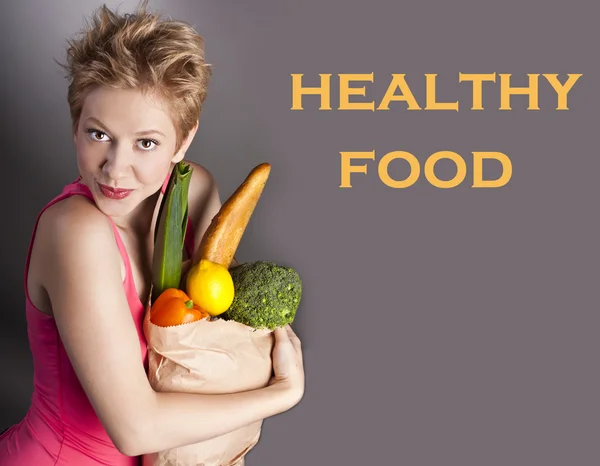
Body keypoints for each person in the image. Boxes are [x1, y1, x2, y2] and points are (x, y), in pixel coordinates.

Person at [0, 2, 305, 464]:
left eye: (146, 143)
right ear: (75, 125)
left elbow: (223, 322)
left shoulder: (193, 190)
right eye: (98, 134)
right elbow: (135, 429)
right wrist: (282, 394)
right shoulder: (74, 232)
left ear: (183, 142)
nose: (115, 169)